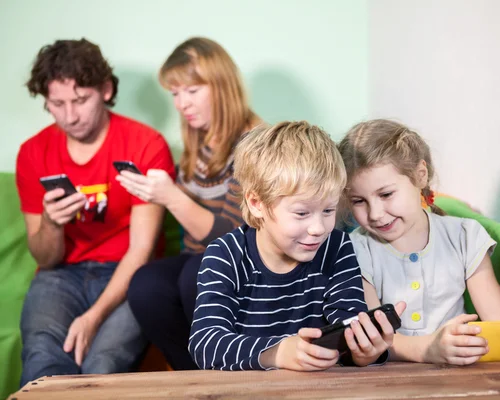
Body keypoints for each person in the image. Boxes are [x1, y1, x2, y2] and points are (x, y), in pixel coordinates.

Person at [338, 119, 500, 365]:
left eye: (386, 194)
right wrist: (428, 349)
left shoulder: (465, 237)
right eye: (358, 201)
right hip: (388, 381)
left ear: (421, 175)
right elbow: (372, 339)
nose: (375, 213)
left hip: (460, 377)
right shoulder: (354, 250)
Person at [16, 38, 175, 385]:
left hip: (128, 271)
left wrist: (93, 317)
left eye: (80, 100)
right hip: (61, 274)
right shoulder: (32, 153)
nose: (69, 116)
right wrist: (50, 224)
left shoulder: (146, 144)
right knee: (44, 360)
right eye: (57, 104)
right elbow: (44, 255)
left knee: (102, 366)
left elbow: (142, 250)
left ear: (104, 89)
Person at [188, 121, 404, 371]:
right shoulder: (225, 255)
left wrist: (364, 352)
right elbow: (206, 344)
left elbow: (348, 326)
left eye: (328, 210)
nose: (319, 228)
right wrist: (277, 353)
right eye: (302, 213)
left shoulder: (336, 248)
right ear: (257, 203)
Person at [124, 37, 261, 370]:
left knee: (195, 274)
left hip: (246, 260)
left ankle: (222, 372)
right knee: (145, 285)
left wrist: (169, 195)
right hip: (196, 257)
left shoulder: (255, 143)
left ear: (222, 86)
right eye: (175, 94)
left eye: (192, 91)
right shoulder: (197, 140)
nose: (181, 103)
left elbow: (230, 234)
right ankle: (191, 374)